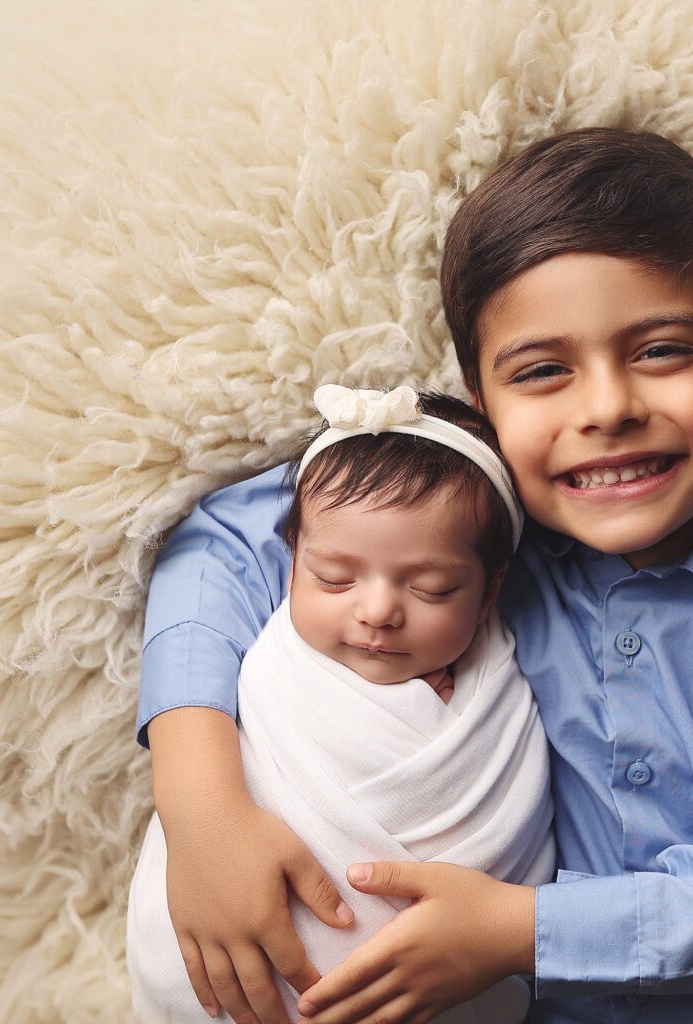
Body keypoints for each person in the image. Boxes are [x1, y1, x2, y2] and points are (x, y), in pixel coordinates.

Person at [136, 128, 693, 1024]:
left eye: (662, 351)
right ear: (484, 418)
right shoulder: (485, 518)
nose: (607, 409)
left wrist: (523, 930)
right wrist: (200, 803)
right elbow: (224, 543)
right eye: (545, 372)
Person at [127, 386, 554, 1024]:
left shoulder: (503, 694)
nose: (378, 610)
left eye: (433, 588)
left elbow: (513, 841)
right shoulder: (273, 666)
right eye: (334, 578)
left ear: (489, 594)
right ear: (291, 567)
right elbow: (209, 558)